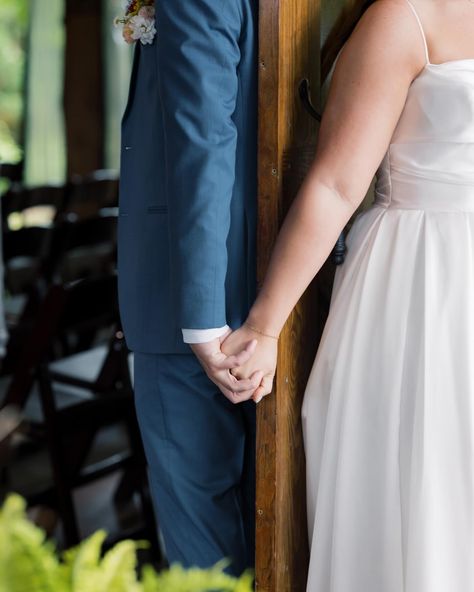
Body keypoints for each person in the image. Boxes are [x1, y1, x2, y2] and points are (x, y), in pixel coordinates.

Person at [222, 0, 474, 588]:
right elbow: (336, 184)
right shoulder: (403, 15)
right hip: (420, 285)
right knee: (421, 483)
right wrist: (263, 326)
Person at [117, 0, 260, 574]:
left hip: (194, 308)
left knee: (202, 550)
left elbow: (203, 133)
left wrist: (201, 316)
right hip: (266, 286)